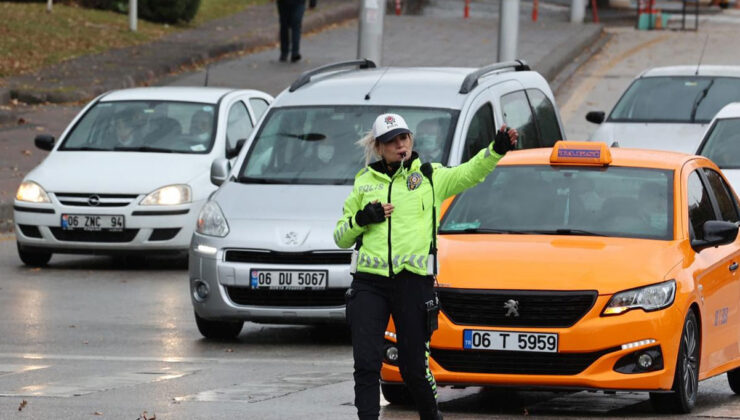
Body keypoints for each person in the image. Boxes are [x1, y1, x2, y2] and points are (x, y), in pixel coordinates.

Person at [334, 113, 517, 420]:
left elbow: (470, 173)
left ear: (411, 141)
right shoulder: (364, 182)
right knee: (365, 363)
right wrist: (362, 219)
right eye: (391, 141)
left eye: (403, 138)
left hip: (413, 284)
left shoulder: (430, 177)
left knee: (413, 368)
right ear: (379, 148)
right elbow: (340, 236)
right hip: (370, 284)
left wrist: (496, 149)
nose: (399, 145)